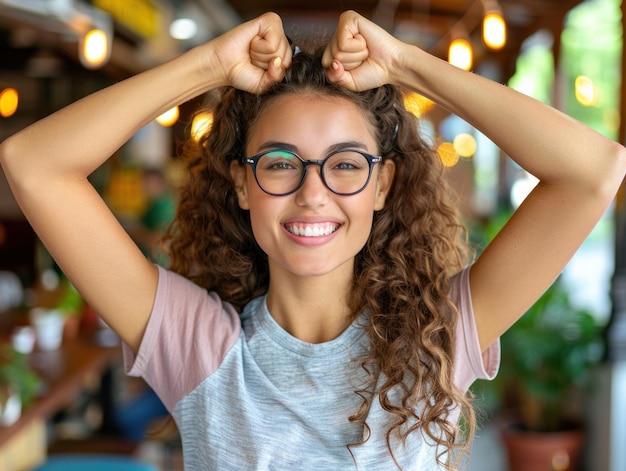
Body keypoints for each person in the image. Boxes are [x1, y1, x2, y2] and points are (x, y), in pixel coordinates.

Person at [1, 10, 624, 470]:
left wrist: (407, 64)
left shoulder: (437, 335)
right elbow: (33, 164)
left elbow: (593, 172)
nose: (313, 193)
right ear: (242, 185)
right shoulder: (199, 350)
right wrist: (208, 67)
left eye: (347, 164)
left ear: (383, 185)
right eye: (279, 162)